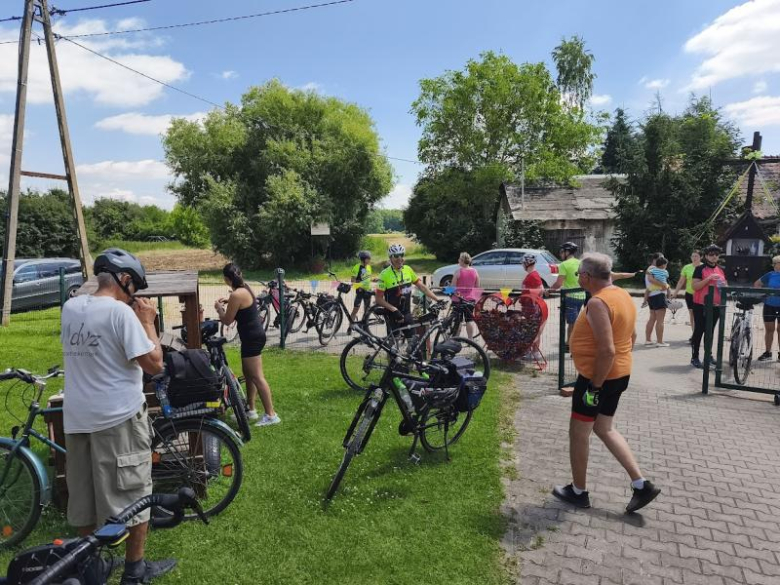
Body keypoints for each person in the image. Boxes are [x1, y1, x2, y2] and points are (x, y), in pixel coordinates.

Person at [61, 248, 176, 585]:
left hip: (77, 419)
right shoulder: (120, 314)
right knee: (135, 494)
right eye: (134, 287)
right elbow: (154, 364)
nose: (134, 295)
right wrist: (148, 322)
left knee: (84, 499)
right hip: (118, 420)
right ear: (124, 279)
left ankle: (90, 568)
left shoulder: (70, 308)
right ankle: (134, 571)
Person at [552, 253, 661, 513]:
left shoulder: (598, 302)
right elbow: (632, 336)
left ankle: (578, 492)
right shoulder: (622, 294)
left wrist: (594, 386)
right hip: (618, 374)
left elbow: (607, 350)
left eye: (578, 274)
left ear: (586, 276)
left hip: (598, 378)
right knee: (604, 428)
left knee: (578, 433)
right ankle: (641, 485)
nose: (578, 277)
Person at [215, 263, 279, 427]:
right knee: (248, 374)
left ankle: (271, 415)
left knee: (257, 377)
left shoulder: (237, 294)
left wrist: (219, 308)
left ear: (226, 279)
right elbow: (243, 302)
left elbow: (227, 320)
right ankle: (251, 409)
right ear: (240, 274)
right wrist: (229, 300)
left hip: (252, 338)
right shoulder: (245, 288)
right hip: (253, 336)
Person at [375, 244, 440, 338]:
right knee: (393, 343)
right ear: (390, 258)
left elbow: (422, 287)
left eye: (401, 255)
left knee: (413, 342)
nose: (399, 258)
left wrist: (437, 299)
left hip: (406, 313)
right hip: (392, 314)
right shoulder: (384, 275)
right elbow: (378, 299)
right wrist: (394, 310)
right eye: (396, 256)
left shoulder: (408, 270)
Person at [690, 244, 727, 369]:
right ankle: (695, 357)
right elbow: (695, 286)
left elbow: (725, 287)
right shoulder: (700, 269)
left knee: (710, 331)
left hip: (716, 305)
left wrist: (724, 286)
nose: (714, 257)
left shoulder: (721, 270)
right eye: (711, 254)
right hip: (701, 305)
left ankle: (708, 355)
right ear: (706, 256)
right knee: (699, 330)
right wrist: (709, 279)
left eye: (716, 254)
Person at [549, 242, 584, 350]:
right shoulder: (580, 262)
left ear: (567, 252)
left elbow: (558, 283)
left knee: (572, 322)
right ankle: (569, 343)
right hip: (581, 296)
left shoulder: (564, 265)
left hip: (570, 297)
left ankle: (570, 345)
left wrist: (549, 290)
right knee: (573, 322)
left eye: (562, 252)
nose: (560, 254)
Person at [521, 253, 548, 359]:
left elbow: (541, 290)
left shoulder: (533, 275)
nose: (522, 265)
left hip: (532, 307)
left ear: (527, 263)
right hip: (529, 306)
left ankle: (533, 352)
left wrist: (532, 299)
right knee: (532, 329)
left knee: (532, 330)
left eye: (523, 263)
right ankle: (532, 351)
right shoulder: (532, 275)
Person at [754, 255, 780, 361]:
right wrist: (762, 295)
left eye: (777, 263)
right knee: (769, 330)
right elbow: (757, 284)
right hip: (769, 305)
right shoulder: (770, 274)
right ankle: (768, 353)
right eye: (775, 263)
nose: (775, 265)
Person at [673, 250, 702, 344]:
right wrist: (675, 293)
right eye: (693, 256)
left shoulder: (704, 267)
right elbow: (681, 281)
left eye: (696, 256)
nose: (694, 258)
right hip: (689, 294)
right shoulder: (687, 267)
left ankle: (699, 334)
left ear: (700, 257)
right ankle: (694, 335)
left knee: (699, 315)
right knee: (692, 314)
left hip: (701, 295)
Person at [451, 252, 481, 339]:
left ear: (462, 261)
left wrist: (448, 291)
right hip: (470, 300)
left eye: (459, 259)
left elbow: (452, 287)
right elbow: (477, 287)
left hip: (458, 299)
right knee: (469, 320)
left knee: (458, 320)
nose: (458, 260)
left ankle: (456, 339)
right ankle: (470, 339)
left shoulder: (458, 272)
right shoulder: (475, 271)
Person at [644, 256, 670, 347]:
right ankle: (660, 341)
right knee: (660, 320)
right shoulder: (658, 270)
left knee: (652, 318)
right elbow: (652, 280)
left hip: (651, 296)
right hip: (659, 295)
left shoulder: (650, 270)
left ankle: (648, 340)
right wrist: (664, 285)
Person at [349, 251, 374, 327]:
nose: (370, 260)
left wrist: (373, 279)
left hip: (368, 291)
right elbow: (352, 280)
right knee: (355, 309)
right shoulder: (357, 267)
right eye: (368, 259)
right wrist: (358, 287)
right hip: (360, 292)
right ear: (364, 259)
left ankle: (364, 325)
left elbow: (367, 277)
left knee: (367, 310)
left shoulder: (369, 267)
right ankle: (350, 326)